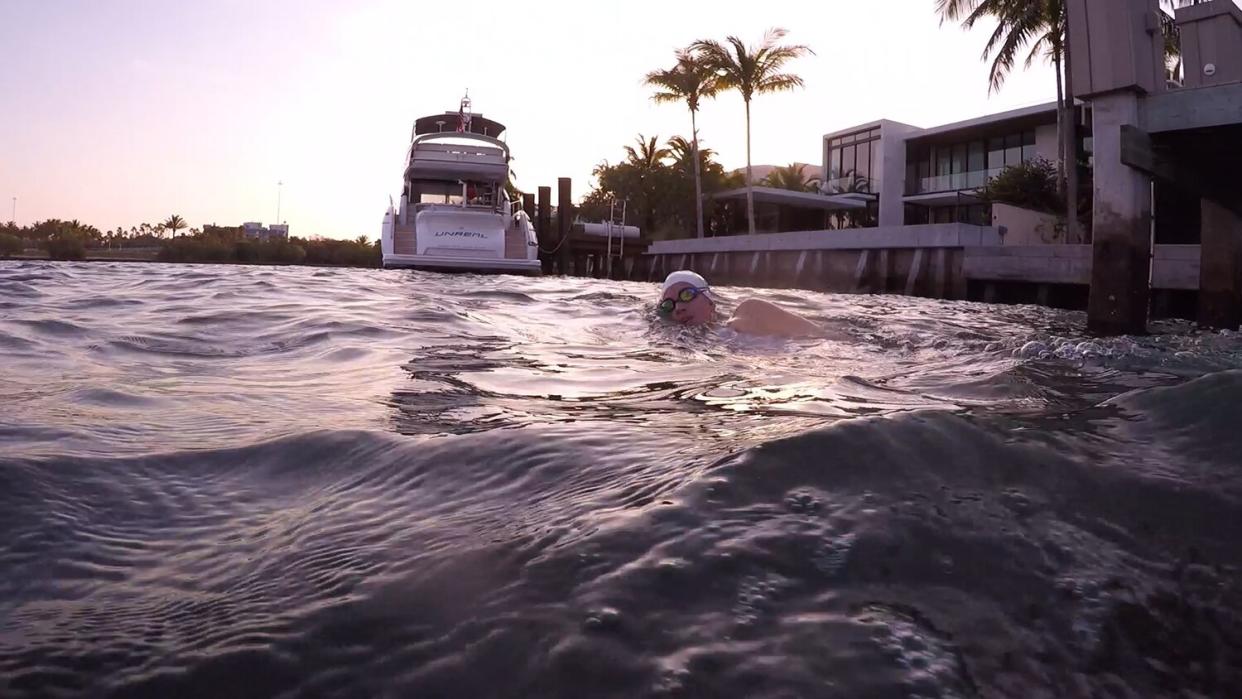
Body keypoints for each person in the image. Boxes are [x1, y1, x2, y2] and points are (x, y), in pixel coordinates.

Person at [656, 270, 826, 338]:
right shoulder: (680, 346)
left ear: (710, 302)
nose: (678, 308)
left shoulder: (750, 311)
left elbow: (829, 340)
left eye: (687, 294)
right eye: (668, 305)